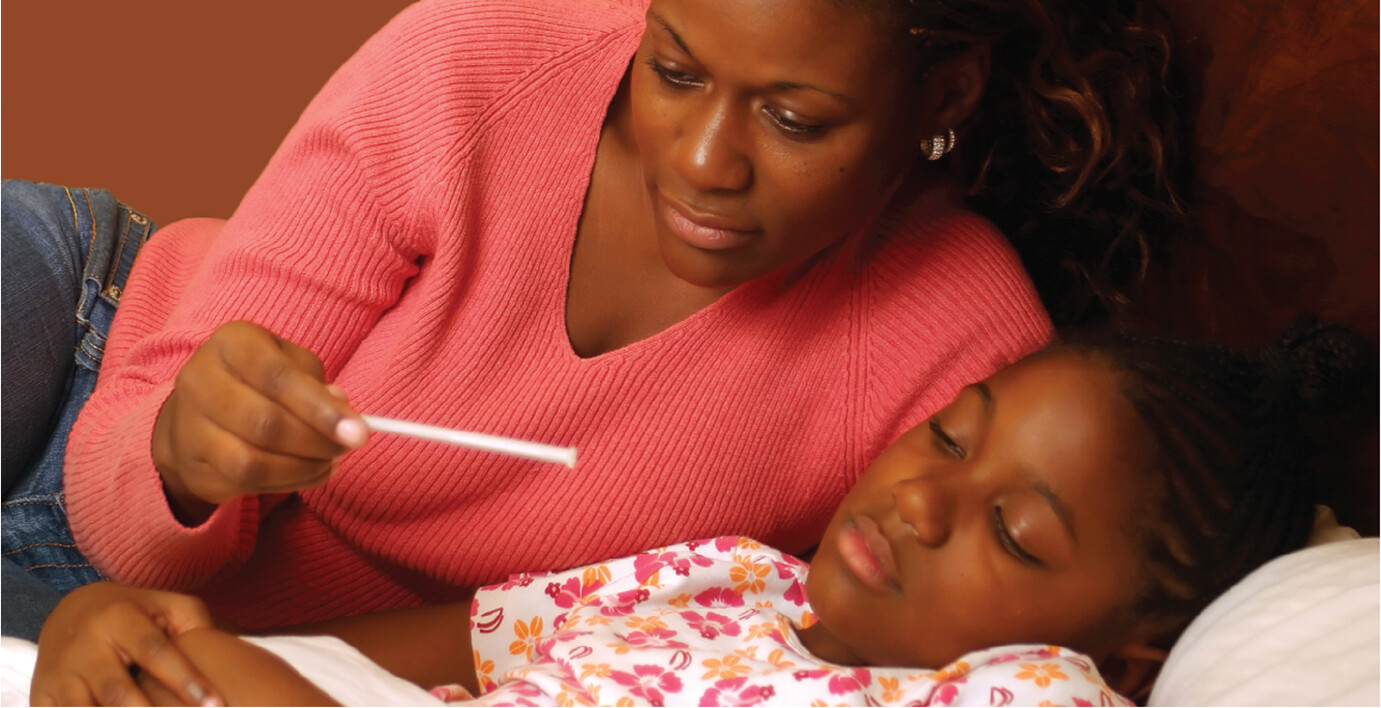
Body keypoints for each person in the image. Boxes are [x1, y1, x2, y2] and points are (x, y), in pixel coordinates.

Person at [1, 0, 1185, 645]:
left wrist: (274, 671)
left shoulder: (959, 361)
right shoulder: (476, 64)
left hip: (211, 642)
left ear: (945, 90)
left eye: (793, 119)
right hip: (89, 343)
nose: (704, 160)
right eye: (674, 68)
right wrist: (183, 457)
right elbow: (127, 491)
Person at [19, 316, 1365, 706]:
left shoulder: (1029, 694)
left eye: (1014, 534)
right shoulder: (730, 576)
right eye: (948, 437)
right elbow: (354, 663)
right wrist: (132, 630)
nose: (919, 500)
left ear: (1131, 653)